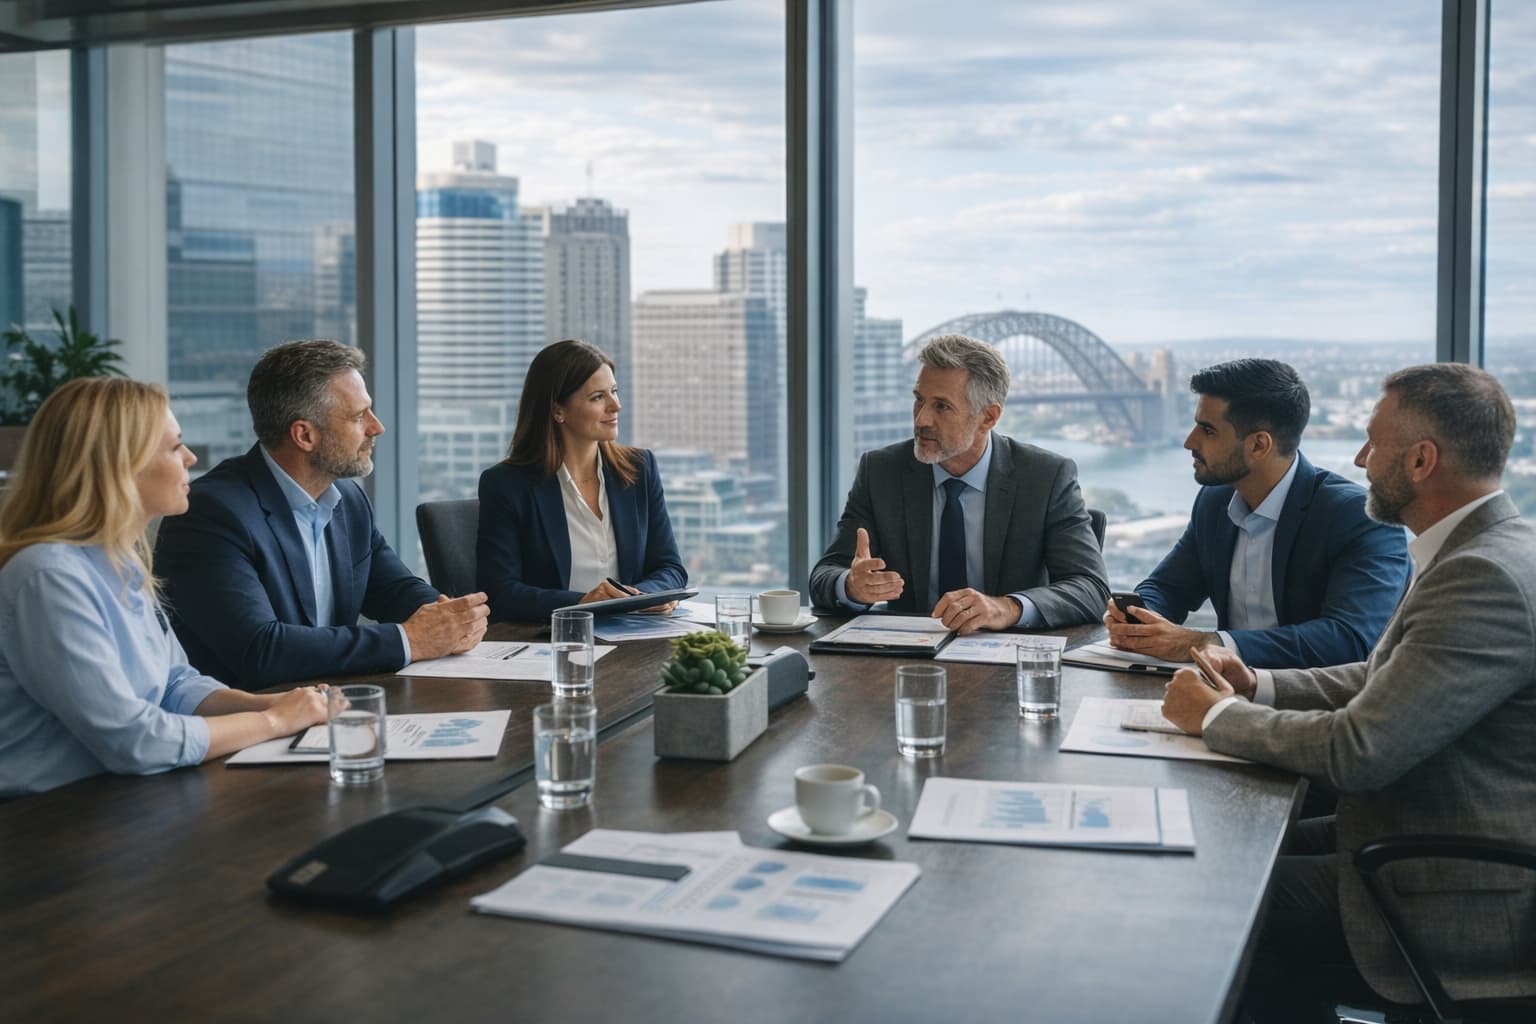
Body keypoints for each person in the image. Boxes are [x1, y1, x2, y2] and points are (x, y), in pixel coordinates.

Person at [1161, 364, 1536, 1014]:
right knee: (1222, 852)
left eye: (1373, 442)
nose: (1360, 459)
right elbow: (1385, 677)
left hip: (1457, 884)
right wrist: (1260, 684)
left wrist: (1217, 717)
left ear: (1421, 460)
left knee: (1216, 898)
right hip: (1414, 831)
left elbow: (1360, 749)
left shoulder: (1481, 574)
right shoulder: (1491, 547)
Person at [0, 378, 330, 797]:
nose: (191, 457)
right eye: (175, 447)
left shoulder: (120, 563)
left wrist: (275, 703)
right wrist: (276, 722)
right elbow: (133, 740)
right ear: (121, 465)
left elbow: (175, 683)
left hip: (123, 798)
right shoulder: (47, 577)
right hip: (51, 822)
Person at [156, 340, 488, 688]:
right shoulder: (211, 514)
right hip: (249, 721)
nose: (377, 427)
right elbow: (262, 651)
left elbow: (393, 589)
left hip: (332, 704)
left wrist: (449, 617)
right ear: (304, 435)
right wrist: (411, 639)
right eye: (359, 416)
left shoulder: (347, 497)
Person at [1105, 359, 1409, 668]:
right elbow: (1167, 587)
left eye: (1207, 430)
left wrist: (1203, 644)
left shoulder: (1357, 518)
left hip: (1314, 706)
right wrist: (1137, 617)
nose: (1189, 441)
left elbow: (1348, 640)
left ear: (1259, 445)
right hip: (1226, 695)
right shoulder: (1214, 501)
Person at [809, 333, 1109, 633]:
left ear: (988, 418)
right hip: (909, 661)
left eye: (941, 406)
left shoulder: (1045, 477)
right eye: (919, 400)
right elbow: (824, 576)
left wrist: (1006, 607)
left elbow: (1092, 589)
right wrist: (851, 586)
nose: (921, 419)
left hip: (1009, 664)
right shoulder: (882, 471)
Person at [477, 339, 686, 622]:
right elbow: (500, 592)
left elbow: (670, 567)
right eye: (597, 397)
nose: (616, 406)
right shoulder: (506, 485)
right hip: (554, 644)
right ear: (557, 410)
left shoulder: (639, 469)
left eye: (614, 391)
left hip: (634, 635)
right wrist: (582, 603)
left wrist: (645, 596)